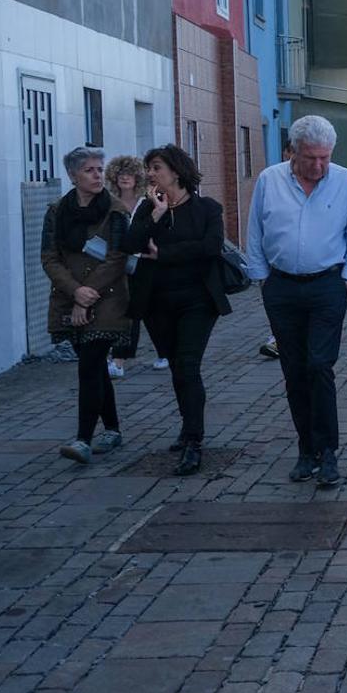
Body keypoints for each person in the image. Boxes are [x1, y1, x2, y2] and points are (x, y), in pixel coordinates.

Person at [246, 115, 347, 487]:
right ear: (293, 152)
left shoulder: (346, 182)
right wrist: (262, 279)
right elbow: (255, 232)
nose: (318, 166)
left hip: (327, 286)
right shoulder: (270, 181)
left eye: (325, 158)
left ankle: (328, 451)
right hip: (281, 288)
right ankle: (306, 449)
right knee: (294, 371)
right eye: (311, 158)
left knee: (320, 365)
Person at [124, 144, 231, 476]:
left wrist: (165, 254)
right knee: (176, 367)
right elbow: (130, 245)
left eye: (156, 167)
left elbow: (211, 247)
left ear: (176, 171)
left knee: (188, 364)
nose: (151, 174)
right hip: (157, 302)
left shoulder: (206, 209)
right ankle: (187, 426)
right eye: (149, 168)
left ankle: (194, 443)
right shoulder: (147, 208)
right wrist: (155, 215)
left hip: (197, 300)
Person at [42, 147, 132, 464]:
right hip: (70, 297)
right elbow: (50, 257)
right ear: (73, 175)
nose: (97, 175)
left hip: (107, 298)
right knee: (93, 366)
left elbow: (117, 258)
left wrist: (88, 292)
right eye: (89, 170)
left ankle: (83, 439)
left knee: (89, 365)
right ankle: (113, 429)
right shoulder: (57, 211)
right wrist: (75, 291)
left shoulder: (115, 210)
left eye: (99, 169)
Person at [104, 154, 150, 378]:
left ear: (137, 177)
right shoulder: (108, 201)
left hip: (144, 263)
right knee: (123, 310)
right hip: (116, 264)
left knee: (143, 310)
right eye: (120, 174)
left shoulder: (147, 202)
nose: (125, 178)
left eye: (129, 174)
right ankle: (118, 359)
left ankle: (165, 351)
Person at [259, 140, 297, 360]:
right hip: (276, 262)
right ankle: (277, 339)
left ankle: (283, 340)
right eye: (291, 152)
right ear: (285, 152)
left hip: (307, 264)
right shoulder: (270, 179)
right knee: (280, 308)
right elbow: (258, 225)